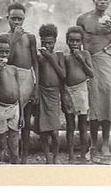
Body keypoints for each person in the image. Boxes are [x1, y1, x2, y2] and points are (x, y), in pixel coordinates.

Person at [76, 0, 111, 155]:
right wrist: (79, 61)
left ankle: (105, 143)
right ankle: (92, 144)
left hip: (107, 63)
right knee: (93, 102)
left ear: (110, 0)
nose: (103, 2)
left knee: (107, 101)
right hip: (89, 63)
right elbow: (76, 42)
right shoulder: (83, 19)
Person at [6, 2, 39, 164]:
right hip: (11, 78)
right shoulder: (4, 38)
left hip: (27, 79)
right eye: (13, 18)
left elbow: (35, 62)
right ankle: (13, 154)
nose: (17, 22)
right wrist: (13, 40)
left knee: (26, 119)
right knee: (12, 118)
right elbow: (7, 61)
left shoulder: (30, 38)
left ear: (24, 19)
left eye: (20, 19)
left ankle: (24, 155)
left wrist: (37, 87)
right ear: (8, 19)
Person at [0, 34, 22, 164]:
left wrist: (21, 114)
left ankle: (15, 164)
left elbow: (18, 93)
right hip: (0, 108)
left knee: (14, 142)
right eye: (0, 51)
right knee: (1, 143)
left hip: (14, 108)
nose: (3, 55)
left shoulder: (13, 69)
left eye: (6, 52)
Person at [35, 24, 66, 164]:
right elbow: (36, 75)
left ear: (55, 41)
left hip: (54, 96)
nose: (47, 46)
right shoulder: (38, 57)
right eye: (44, 43)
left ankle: (55, 157)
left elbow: (63, 75)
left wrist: (51, 58)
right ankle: (48, 158)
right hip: (42, 94)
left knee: (54, 131)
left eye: (50, 43)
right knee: (43, 131)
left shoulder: (58, 55)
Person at [64, 26, 94, 162]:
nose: (74, 43)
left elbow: (91, 73)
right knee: (70, 124)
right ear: (67, 41)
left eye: (77, 41)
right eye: (71, 40)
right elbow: (63, 77)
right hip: (68, 91)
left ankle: (83, 153)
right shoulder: (65, 57)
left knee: (82, 124)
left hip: (82, 90)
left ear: (81, 42)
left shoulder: (85, 54)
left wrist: (81, 60)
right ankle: (70, 154)